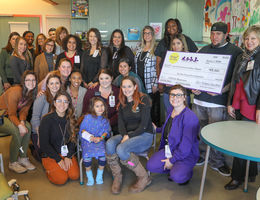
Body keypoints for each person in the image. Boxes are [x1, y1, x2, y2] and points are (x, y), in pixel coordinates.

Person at [192, 22, 243, 176]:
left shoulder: (235, 52)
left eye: (218, 34)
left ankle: (217, 161)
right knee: (200, 130)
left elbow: (236, 78)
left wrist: (223, 90)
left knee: (216, 133)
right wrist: (192, 86)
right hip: (199, 100)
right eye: (212, 34)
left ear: (225, 35)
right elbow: (196, 72)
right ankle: (202, 155)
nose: (214, 37)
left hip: (218, 102)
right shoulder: (203, 50)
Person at [224, 25, 260, 190]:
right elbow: (234, 80)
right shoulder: (241, 56)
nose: (249, 41)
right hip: (238, 102)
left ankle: (238, 178)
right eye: (247, 38)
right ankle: (249, 174)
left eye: (253, 38)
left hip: (252, 105)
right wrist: (230, 101)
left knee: (244, 142)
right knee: (243, 140)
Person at [106, 76, 154, 194]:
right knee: (110, 144)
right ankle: (117, 176)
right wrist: (124, 135)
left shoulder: (144, 99)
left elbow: (143, 126)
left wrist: (128, 137)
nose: (126, 89)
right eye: (124, 86)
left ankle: (143, 177)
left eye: (129, 86)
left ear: (135, 87)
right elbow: (121, 124)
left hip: (145, 135)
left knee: (121, 150)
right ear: (121, 88)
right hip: (128, 135)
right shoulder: (122, 102)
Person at [146, 85, 200, 185]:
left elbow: (186, 147)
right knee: (151, 166)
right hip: (170, 148)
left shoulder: (190, 117)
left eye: (178, 95)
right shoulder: (171, 110)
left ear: (184, 97)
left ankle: (185, 172)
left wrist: (172, 160)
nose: (175, 98)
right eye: (172, 95)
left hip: (186, 154)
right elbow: (170, 127)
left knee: (177, 177)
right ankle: (174, 168)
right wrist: (157, 129)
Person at [155, 19, 198, 111]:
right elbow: (159, 64)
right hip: (169, 91)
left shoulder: (188, 58)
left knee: (183, 116)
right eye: (173, 44)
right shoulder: (168, 55)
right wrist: (161, 81)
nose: (176, 46)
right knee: (170, 115)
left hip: (183, 92)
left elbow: (195, 68)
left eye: (178, 43)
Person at [0, 70, 37, 173]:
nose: (31, 82)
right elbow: (12, 113)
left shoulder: (31, 94)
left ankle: (23, 157)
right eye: (28, 80)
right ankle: (12, 162)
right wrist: (19, 125)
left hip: (9, 116)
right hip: (1, 115)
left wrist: (22, 122)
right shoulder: (15, 91)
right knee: (16, 131)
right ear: (23, 81)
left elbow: (24, 111)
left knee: (28, 127)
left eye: (34, 80)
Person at [39, 90, 79, 185]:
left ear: (69, 104)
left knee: (74, 175)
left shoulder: (71, 119)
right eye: (59, 101)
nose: (62, 104)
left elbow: (73, 140)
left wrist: (68, 156)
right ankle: (48, 168)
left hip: (66, 153)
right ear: (54, 103)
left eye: (65, 101)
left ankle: (61, 166)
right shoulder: (46, 120)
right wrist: (58, 159)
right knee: (61, 179)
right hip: (51, 155)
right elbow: (44, 144)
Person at [79, 97, 110, 186]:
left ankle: (99, 175)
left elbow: (106, 132)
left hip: (99, 141)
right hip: (87, 141)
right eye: (97, 106)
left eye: (102, 106)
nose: (100, 108)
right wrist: (91, 137)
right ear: (92, 108)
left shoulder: (105, 120)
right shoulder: (87, 117)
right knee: (87, 156)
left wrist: (100, 138)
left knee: (103, 155)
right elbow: (82, 131)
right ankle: (90, 177)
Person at [30, 74, 62, 161]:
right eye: (51, 83)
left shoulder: (62, 97)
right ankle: (34, 148)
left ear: (60, 84)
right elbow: (35, 118)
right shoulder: (42, 97)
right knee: (45, 157)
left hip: (54, 129)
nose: (54, 86)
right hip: (40, 130)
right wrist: (40, 135)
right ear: (47, 85)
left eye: (57, 83)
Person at [135, 25, 160, 125]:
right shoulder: (139, 50)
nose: (147, 35)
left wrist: (155, 84)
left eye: (149, 33)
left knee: (152, 109)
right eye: (145, 33)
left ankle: (154, 131)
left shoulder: (156, 50)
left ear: (153, 35)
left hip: (151, 85)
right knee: (142, 109)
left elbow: (157, 68)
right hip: (140, 85)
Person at [82, 68, 119, 135]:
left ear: (112, 78)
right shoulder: (91, 91)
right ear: (98, 79)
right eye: (101, 79)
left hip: (113, 125)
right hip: (94, 126)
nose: (104, 81)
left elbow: (120, 112)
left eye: (107, 78)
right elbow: (85, 111)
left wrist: (108, 122)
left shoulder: (117, 92)